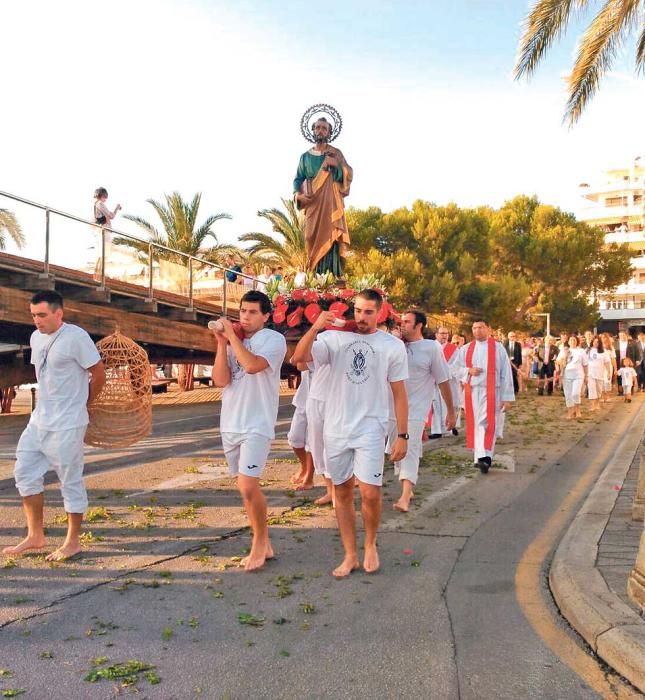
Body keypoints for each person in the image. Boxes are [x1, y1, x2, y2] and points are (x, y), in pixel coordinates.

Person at [292, 289, 408, 577]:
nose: (362, 317)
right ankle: (350, 554)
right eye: (358, 310)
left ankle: (370, 544)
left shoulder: (392, 346)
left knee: (370, 492)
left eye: (369, 312)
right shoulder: (333, 338)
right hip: (336, 427)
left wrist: (402, 435)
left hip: (371, 426)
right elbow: (299, 357)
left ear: (380, 313)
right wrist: (317, 326)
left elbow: (399, 393)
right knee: (342, 491)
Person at [3, 291, 106, 561]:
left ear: (59, 313)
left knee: (69, 481)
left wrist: (84, 404)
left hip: (68, 422)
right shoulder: (36, 337)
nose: (37, 320)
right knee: (24, 473)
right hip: (39, 419)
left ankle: (73, 542)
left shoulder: (76, 337)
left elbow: (98, 373)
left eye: (42, 315)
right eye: (33, 315)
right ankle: (35, 535)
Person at [211, 290, 287, 571]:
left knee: (247, 485)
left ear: (266, 316)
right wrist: (222, 344)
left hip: (257, 423)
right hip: (230, 423)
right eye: (243, 311)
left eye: (253, 312)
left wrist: (232, 336)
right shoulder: (233, 341)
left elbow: (253, 366)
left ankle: (259, 542)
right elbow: (221, 380)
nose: (245, 316)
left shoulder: (273, 340)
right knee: (244, 490)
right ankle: (263, 542)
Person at [389, 313, 455, 512]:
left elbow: (443, 380)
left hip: (416, 409)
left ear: (419, 325)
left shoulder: (431, 347)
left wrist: (451, 411)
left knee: (408, 448)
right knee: (397, 450)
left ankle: (405, 495)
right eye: (401, 321)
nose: (402, 324)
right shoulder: (395, 344)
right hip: (391, 408)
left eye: (407, 321)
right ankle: (407, 486)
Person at [452, 319, 514, 474]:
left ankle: (484, 456)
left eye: (480, 327)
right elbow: (453, 368)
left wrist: (507, 398)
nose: (477, 330)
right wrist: (468, 371)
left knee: (486, 423)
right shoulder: (466, 349)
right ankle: (480, 457)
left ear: (488, 329)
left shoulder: (498, 348)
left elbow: (506, 373)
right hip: (472, 391)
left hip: (492, 391)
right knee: (476, 424)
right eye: (474, 328)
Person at [294, 117, 353, 276]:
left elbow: (348, 173)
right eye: (318, 127)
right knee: (309, 237)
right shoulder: (305, 157)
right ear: (313, 130)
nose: (321, 130)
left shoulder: (335, 153)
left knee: (331, 236)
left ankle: (332, 276)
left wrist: (336, 166)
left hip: (331, 202)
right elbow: (298, 179)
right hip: (313, 200)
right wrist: (298, 196)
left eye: (324, 128)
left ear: (329, 132)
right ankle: (314, 276)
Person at [428, 326, 460, 438]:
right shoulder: (430, 346)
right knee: (435, 406)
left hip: (448, 382)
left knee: (448, 404)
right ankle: (436, 430)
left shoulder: (453, 349)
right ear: (436, 335)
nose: (444, 336)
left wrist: (443, 372)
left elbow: (456, 365)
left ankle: (449, 427)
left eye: (446, 333)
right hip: (433, 381)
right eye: (441, 333)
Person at [287, 365, 314, 491]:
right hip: (304, 397)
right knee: (295, 437)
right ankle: (304, 467)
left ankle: (309, 478)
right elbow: (299, 363)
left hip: (322, 398)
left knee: (311, 441)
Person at [557, 335, 588, 419]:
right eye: (571, 340)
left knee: (575, 393)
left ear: (577, 341)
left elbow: (585, 365)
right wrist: (565, 357)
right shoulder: (564, 350)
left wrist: (586, 376)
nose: (572, 341)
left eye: (574, 340)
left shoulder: (581, 351)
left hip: (578, 375)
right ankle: (570, 411)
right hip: (566, 375)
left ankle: (577, 410)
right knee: (568, 395)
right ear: (568, 341)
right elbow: (558, 362)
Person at [587, 335, 611, 411]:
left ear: (599, 343)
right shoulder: (588, 350)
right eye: (594, 342)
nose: (595, 343)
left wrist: (609, 372)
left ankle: (597, 404)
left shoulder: (603, 352)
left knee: (598, 389)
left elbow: (607, 363)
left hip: (600, 373)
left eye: (597, 342)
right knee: (592, 389)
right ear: (592, 342)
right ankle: (592, 405)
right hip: (590, 373)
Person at [616, 331, 640, 395]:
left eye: (623, 335)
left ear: (626, 336)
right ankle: (621, 391)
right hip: (619, 362)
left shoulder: (632, 343)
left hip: (629, 362)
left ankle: (630, 390)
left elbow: (637, 352)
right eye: (620, 336)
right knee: (620, 376)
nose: (622, 337)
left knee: (630, 376)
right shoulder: (616, 343)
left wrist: (637, 360)